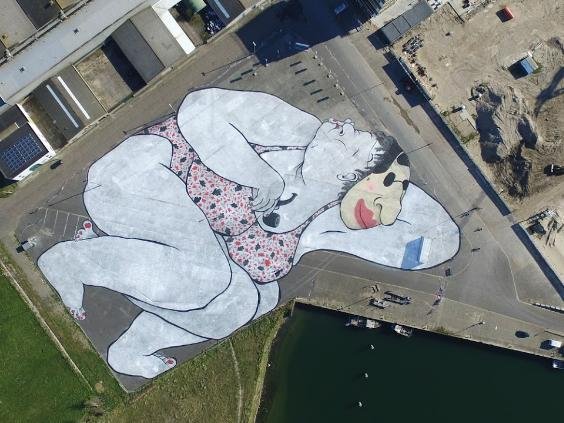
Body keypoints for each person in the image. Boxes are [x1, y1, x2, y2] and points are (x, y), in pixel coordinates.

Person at [38, 88, 459, 378]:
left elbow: (439, 241)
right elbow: (199, 108)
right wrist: (261, 177)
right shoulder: (296, 130)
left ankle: (131, 346)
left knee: (250, 302)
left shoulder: (324, 223)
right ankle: (72, 262)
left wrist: (395, 185)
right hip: (139, 178)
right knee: (208, 274)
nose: (345, 124)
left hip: (175, 247)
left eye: (353, 140)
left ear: (354, 176)